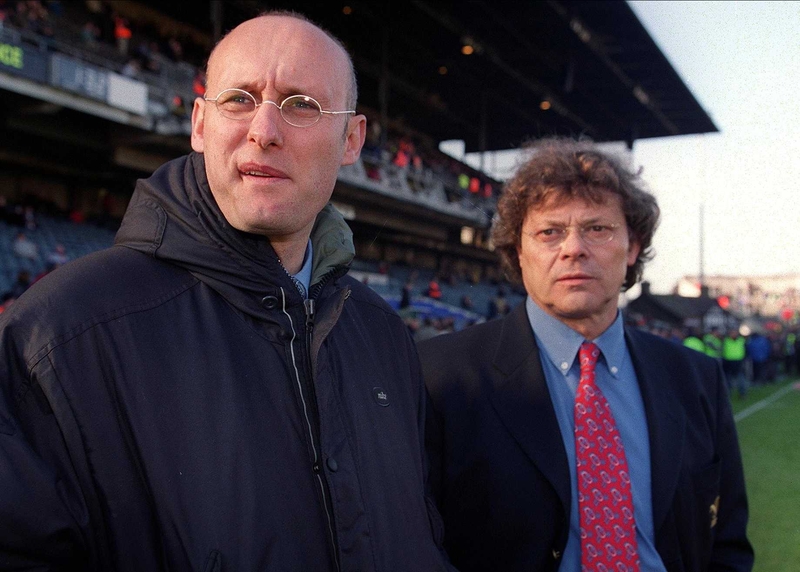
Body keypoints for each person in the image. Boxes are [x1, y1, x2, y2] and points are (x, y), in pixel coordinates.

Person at [0, 12, 451, 571]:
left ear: (351, 139)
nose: (264, 130)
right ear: (199, 123)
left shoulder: (384, 335)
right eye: (238, 99)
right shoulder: (60, 334)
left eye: (301, 105)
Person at [420, 138, 753, 572]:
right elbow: (417, 545)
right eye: (549, 232)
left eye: (598, 229)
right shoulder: (440, 375)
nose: (573, 248)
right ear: (519, 251)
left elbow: (727, 544)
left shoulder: (695, 378)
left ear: (632, 247)